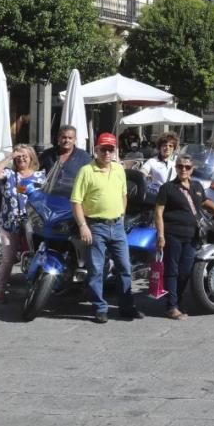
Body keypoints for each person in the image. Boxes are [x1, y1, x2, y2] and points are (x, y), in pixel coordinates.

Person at [70, 133, 141, 323]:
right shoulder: (86, 171)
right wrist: (83, 226)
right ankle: (100, 308)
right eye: (104, 149)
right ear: (96, 150)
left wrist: (121, 215)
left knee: (125, 267)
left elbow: (123, 195)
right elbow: (76, 202)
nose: (107, 153)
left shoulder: (118, 170)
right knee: (97, 270)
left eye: (111, 149)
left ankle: (127, 307)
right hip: (95, 226)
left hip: (117, 225)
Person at [154, 153, 214, 320]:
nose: (183, 169)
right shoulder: (167, 188)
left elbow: (204, 201)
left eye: (187, 167)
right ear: (176, 168)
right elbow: (158, 212)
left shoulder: (197, 187)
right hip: (173, 235)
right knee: (172, 271)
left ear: (192, 169)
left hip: (192, 236)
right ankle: (171, 306)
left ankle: (178, 301)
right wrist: (161, 235)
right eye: (180, 166)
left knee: (185, 271)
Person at [0, 144, 45, 303]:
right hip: (9, 223)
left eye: (25, 156)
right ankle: (1, 288)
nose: (21, 159)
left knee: (36, 257)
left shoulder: (40, 177)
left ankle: (35, 289)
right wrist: (9, 157)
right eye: (18, 157)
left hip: (33, 224)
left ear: (31, 158)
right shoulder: (9, 174)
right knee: (8, 258)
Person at [39, 125, 91, 196]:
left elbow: (91, 177)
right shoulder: (48, 154)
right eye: (64, 137)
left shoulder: (84, 157)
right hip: (50, 198)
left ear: (75, 139)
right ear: (58, 138)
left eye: (70, 138)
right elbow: (35, 170)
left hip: (73, 199)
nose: (67, 140)